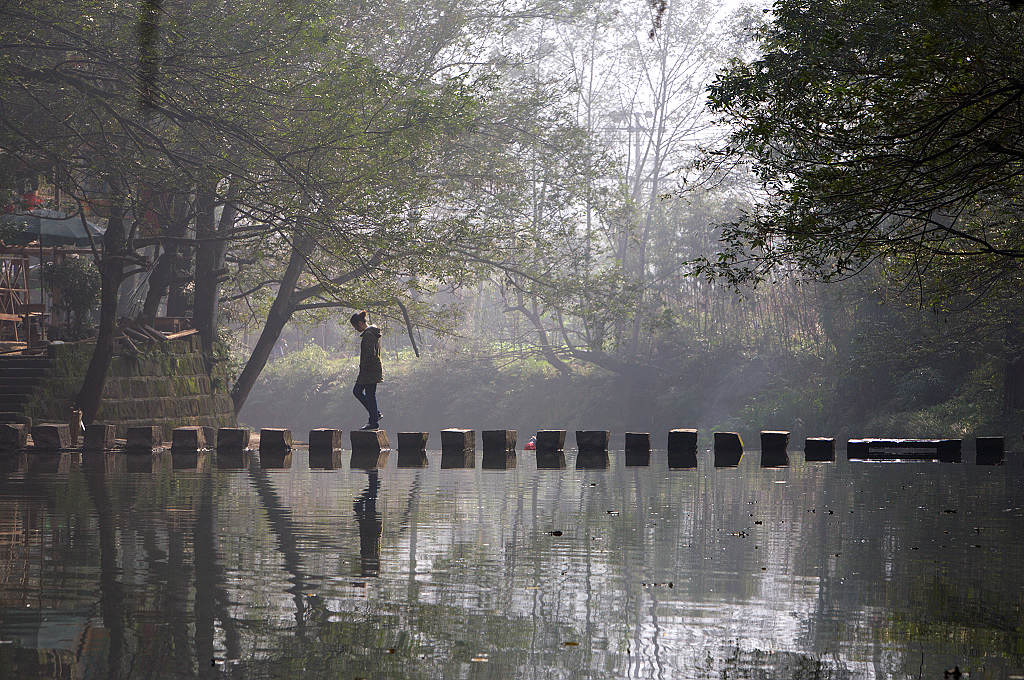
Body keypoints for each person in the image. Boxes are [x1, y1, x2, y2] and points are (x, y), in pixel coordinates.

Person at [350, 310, 383, 430]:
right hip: (372, 369)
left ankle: (374, 419)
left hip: (369, 370)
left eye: (355, 326)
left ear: (359, 323)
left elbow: (370, 354)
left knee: (359, 392)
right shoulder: (372, 332)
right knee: (368, 394)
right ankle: (374, 416)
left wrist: (363, 370)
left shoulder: (369, 335)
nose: (355, 329)